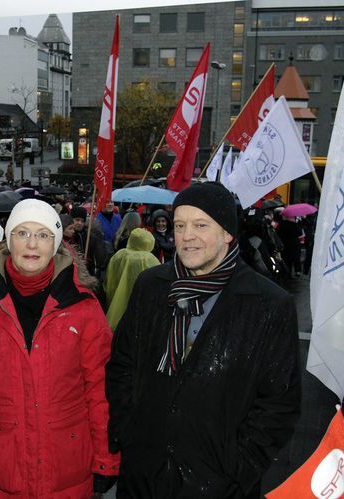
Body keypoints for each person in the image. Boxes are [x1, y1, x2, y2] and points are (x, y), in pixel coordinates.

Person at [106, 182, 301, 498]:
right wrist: (127, 432)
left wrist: (240, 466)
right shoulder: (152, 285)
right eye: (180, 225)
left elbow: (279, 403)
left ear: (227, 233)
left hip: (220, 484)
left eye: (200, 225)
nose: (187, 235)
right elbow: (122, 365)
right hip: (145, 474)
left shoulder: (268, 304)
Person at [0, 199, 119, 498]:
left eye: (43, 234)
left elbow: (100, 392)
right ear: (9, 240)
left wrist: (106, 460)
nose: (32, 243)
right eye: (22, 232)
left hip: (67, 468)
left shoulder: (83, 306)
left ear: (56, 243)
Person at [104, 228, 161, 331]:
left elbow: (109, 280)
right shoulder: (149, 259)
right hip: (141, 310)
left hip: (115, 306)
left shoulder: (119, 255)